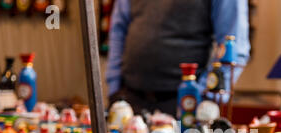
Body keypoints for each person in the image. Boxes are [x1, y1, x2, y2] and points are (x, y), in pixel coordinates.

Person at [106, 0, 251, 117]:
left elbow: (234, 48)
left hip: (185, 106)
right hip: (128, 98)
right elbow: (118, 30)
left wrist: (200, 99)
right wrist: (114, 88)